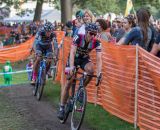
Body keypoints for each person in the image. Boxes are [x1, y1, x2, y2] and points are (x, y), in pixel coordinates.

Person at [57, 23, 102, 120]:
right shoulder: (78, 37)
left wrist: (99, 74)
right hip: (74, 58)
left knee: (91, 70)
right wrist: (71, 67)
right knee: (69, 81)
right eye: (91, 33)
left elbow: (99, 59)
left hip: (84, 59)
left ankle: (81, 90)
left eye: (95, 34)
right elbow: (72, 52)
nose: (93, 36)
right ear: (86, 32)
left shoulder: (97, 42)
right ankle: (62, 107)